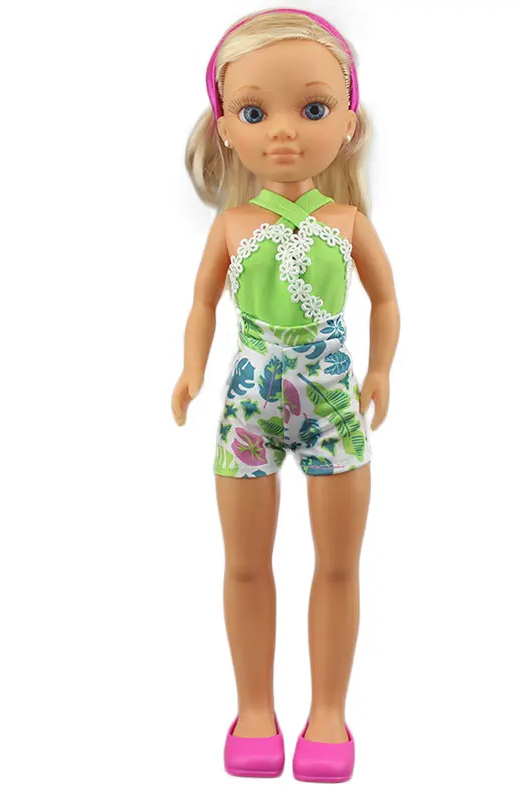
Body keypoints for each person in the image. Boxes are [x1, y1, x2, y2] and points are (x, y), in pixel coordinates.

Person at [171, 7, 400, 783]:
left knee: (338, 565)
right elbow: (202, 305)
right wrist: (192, 370)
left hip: (333, 406)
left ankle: (329, 712)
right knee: (245, 565)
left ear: (349, 123)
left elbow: (386, 302)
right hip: (251, 407)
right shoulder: (233, 225)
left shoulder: (348, 222)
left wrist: (381, 370)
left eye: (312, 108)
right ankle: (255, 709)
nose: (282, 132)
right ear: (224, 127)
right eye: (253, 112)